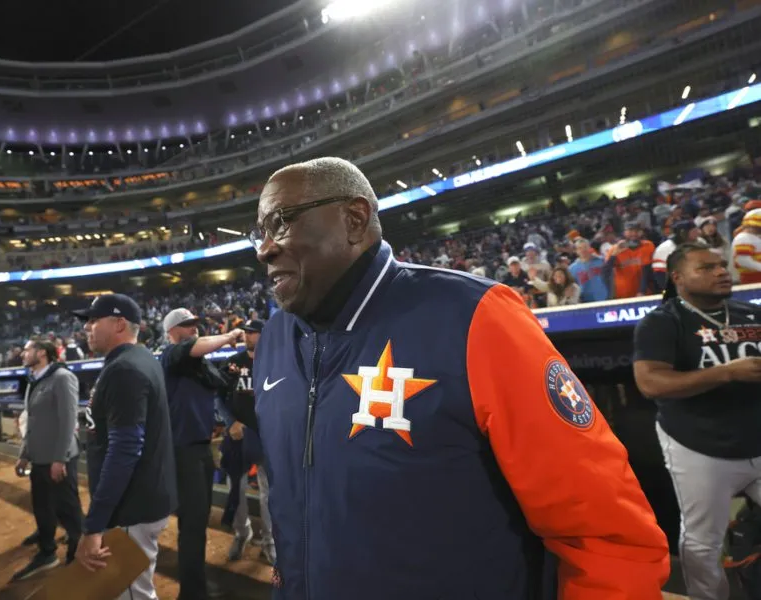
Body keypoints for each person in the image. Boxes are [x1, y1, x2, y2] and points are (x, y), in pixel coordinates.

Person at [249, 157, 669, 599]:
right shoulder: (275, 338)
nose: (264, 249)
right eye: (260, 232)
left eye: (281, 222)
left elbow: (605, 534)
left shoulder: (474, 316)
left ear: (354, 219)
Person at [634, 242, 761, 600]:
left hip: (756, 437)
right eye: (705, 268)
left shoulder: (749, 313)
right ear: (678, 278)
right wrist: (727, 373)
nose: (721, 272)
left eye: (722, 265)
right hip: (700, 446)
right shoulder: (662, 321)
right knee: (704, 542)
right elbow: (650, 382)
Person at [74, 294, 177, 600]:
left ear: (119, 324)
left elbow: (124, 450)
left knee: (131, 594)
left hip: (131, 507)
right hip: (141, 498)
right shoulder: (139, 358)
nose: (87, 328)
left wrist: (94, 525)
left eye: (94, 320)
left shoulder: (125, 369)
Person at [161, 307, 242, 600]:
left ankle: (194, 588)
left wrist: (233, 371)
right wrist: (231, 334)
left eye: (195, 323)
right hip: (182, 450)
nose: (193, 328)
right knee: (192, 526)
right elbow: (194, 347)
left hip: (201, 448)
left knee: (198, 523)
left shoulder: (199, 364)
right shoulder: (170, 355)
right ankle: (192, 593)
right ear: (171, 332)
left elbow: (219, 382)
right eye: (186, 324)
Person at [12, 337, 83, 581]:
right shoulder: (34, 379)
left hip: (57, 458)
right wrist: (24, 455)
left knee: (68, 509)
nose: (22, 353)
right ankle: (47, 551)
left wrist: (60, 459)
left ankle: (80, 553)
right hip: (39, 458)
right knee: (42, 506)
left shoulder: (62, 377)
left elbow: (68, 422)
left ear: (42, 353)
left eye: (27, 349)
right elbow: (30, 422)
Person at [219, 319, 275, 565]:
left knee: (269, 494)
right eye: (247, 332)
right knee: (236, 490)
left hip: (267, 436)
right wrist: (230, 422)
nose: (247, 336)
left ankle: (270, 540)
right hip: (238, 435)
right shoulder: (234, 363)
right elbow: (218, 396)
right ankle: (242, 533)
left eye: (253, 333)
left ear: (264, 335)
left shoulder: (277, 361)